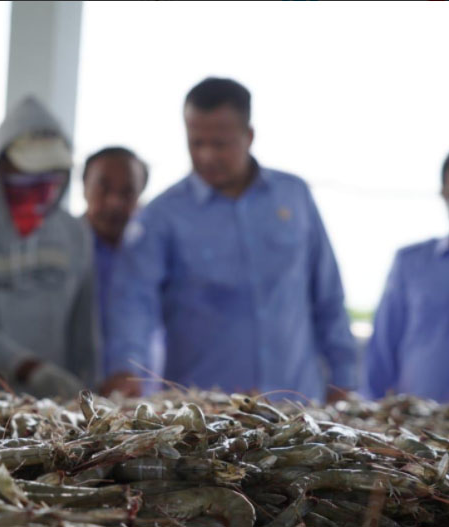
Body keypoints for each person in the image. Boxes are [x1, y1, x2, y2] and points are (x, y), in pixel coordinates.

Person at [103, 77, 358, 401]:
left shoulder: (294, 197)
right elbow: (133, 305)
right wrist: (126, 370)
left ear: (248, 136)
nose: (207, 155)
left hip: (299, 408)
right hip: (204, 421)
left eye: (220, 143)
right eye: (196, 143)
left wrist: (344, 378)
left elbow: (328, 295)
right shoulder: (160, 217)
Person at [0, 96, 98, 399]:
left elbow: (84, 324)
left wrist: (88, 383)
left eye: (48, 177)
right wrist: (28, 367)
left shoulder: (75, 233)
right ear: (1, 167)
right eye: (26, 176)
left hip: (53, 403)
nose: (38, 188)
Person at [366, 143, 449, 403]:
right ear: (444, 195)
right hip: (414, 430)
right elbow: (383, 347)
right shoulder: (410, 262)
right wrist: (371, 412)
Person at [80, 146, 164, 393]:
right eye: (103, 188)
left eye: (127, 192)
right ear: (84, 186)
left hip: (141, 402)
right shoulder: (60, 250)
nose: (114, 202)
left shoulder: (153, 253)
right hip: (68, 400)